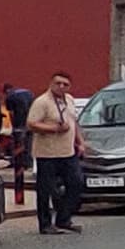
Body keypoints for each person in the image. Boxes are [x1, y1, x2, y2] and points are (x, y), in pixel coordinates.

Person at [28, 66, 85, 231]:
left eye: (65, 84)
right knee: (45, 190)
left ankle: (63, 219)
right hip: (47, 153)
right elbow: (31, 124)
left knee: (76, 183)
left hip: (68, 152)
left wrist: (80, 142)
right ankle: (45, 224)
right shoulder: (42, 102)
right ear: (51, 84)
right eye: (58, 83)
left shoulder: (69, 100)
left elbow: (74, 123)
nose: (61, 87)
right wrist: (54, 129)